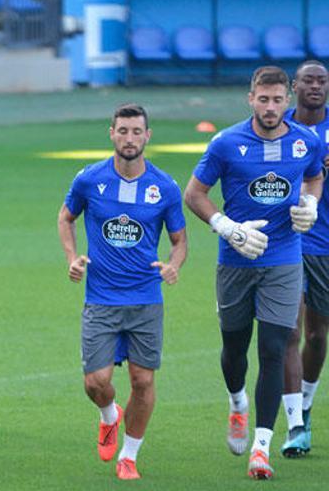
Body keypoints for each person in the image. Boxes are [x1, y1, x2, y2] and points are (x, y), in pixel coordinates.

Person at [183, 66, 325, 480]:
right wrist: (226, 227)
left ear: (288, 100)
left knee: (274, 349)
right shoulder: (226, 143)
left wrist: (310, 205)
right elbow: (194, 193)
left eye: (278, 100)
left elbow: (315, 178)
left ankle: (261, 448)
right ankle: (237, 402)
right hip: (236, 261)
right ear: (250, 99)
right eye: (263, 100)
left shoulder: (305, 142)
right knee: (234, 347)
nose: (270, 107)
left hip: (284, 258)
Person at [58, 103, 187, 480]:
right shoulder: (89, 180)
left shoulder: (164, 187)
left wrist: (173, 264)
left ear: (148, 136)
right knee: (96, 383)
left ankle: (128, 456)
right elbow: (66, 217)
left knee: (143, 381)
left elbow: (180, 240)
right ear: (110, 133)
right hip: (101, 299)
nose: (129, 138)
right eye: (123, 131)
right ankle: (109, 415)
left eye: (136, 132)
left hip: (146, 300)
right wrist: (72, 256)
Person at [281, 59, 329, 457]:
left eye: (322, 81)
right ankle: (295, 423)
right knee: (289, 334)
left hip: (326, 246)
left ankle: (308, 403)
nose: (315, 86)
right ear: (295, 86)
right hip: (289, 244)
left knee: (316, 336)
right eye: (308, 80)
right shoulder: (277, 128)